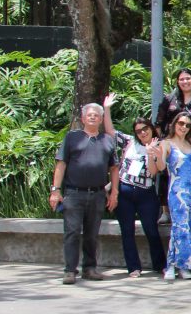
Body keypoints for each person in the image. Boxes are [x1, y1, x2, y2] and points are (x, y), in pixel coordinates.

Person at [50, 101, 119, 285]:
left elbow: (114, 168)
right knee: (72, 232)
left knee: (92, 234)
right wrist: (55, 190)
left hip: (97, 194)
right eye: (89, 115)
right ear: (83, 118)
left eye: (96, 115)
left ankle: (89, 268)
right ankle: (70, 270)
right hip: (74, 193)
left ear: (101, 119)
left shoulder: (107, 140)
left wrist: (114, 192)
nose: (93, 117)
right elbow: (61, 164)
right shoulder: (72, 137)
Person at [108, 112, 164, 278]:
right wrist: (107, 108)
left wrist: (150, 154)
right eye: (138, 131)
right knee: (127, 230)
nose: (143, 133)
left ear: (151, 128)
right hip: (125, 190)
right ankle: (133, 267)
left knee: (151, 229)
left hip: (146, 192)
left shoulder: (159, 145)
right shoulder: (130, 142)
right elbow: (110, 131)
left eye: (145, 129)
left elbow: (153, 173)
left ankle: (160, 264)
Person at [153, 113, 191, 279]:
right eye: (181, 123)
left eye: (188, 125)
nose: (184, 127)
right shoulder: (166, 143)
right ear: (174, 124)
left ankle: (184, 266)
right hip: (177, 192)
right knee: (179, 227)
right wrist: (156, 155)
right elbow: (161, 167)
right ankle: (170, 265)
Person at [156, 68, 191, 138]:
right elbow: (159, 123)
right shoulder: (169, 99)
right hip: (171, 141)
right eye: (181, 79)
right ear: (178, 82)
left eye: (188, 78)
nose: (185, 81)